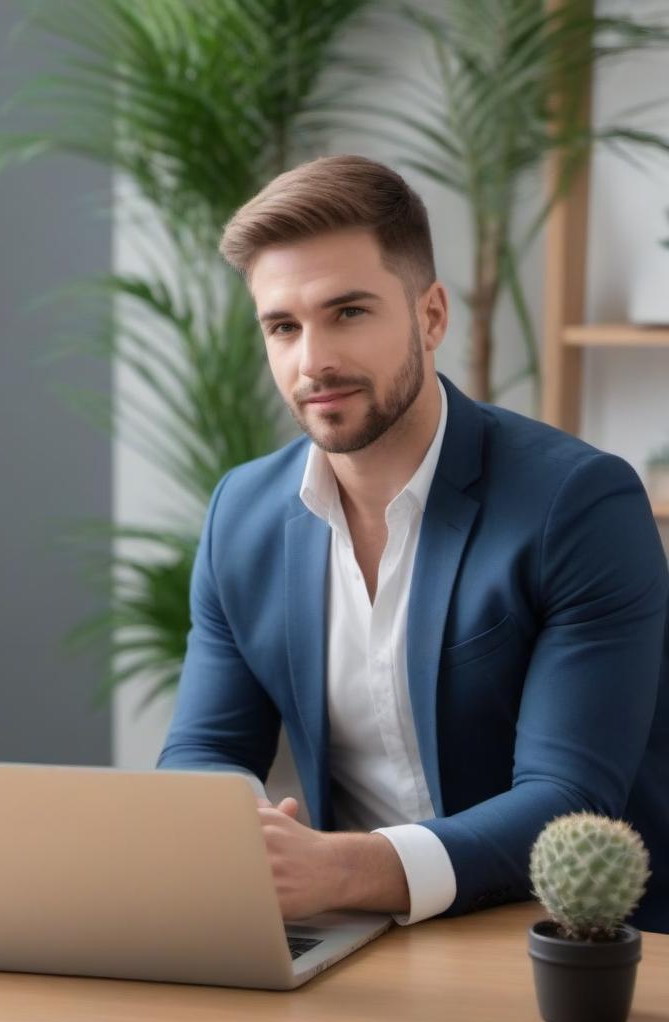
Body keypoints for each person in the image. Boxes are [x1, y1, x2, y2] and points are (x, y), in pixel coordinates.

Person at [158, 155, 668, 933]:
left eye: (349, 313)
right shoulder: (243, 514)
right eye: (283, 327)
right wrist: (240, 844)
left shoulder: (579, 504)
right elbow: (204, 750)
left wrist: (340, 867)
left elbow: (569, 801)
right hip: (354, 940)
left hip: (564, 943)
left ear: (431, 316)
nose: (312, 361)